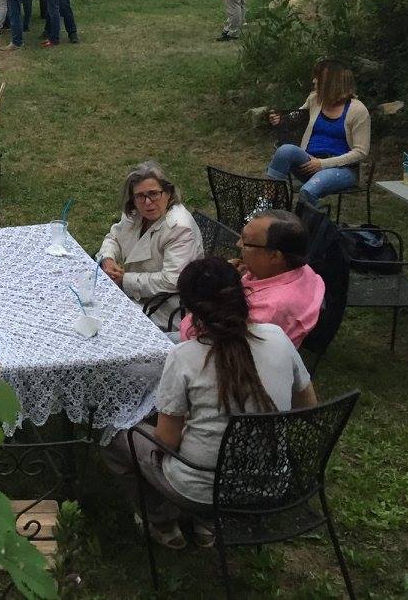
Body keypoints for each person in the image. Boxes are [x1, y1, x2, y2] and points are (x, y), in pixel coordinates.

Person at [102, 255, 316, 550]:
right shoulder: (277, 337)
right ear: (243, 294)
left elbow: (166, 442)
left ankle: (162, 520)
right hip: (269, 480)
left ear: (190, 308)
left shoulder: (185, 356)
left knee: (114, 434)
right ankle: (206, 524)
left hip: (201, 488)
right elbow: (307, 404)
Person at [179, 210, 324, 347]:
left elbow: (199, 338)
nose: (238, 244)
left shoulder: (267, 311)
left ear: (274, 256)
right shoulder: (297, 267)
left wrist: (215, 289)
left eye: (246, 241)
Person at [96, 161, 204, 331]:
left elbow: (172, 280)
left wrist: (125, 280)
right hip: (137, 295)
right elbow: (114, 237)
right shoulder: (135, 213)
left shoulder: (180, 227)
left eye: (153, 194)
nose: (147, 202)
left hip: (165, 307)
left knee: (102, 318)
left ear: (168, 193)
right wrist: (107, 259)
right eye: (140, 196)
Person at [264, 59, 370, 208]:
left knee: (308, 191)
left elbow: (361, 152)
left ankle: (308, 221)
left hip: (342, 169)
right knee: (285, 150)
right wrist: (280, 119)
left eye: (318, 77)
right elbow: (295, 118)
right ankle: (265, 206)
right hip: (309, 162)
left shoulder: (358, 110)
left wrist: (322, 164)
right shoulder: (315, 100)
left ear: (332, 82)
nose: (314, 81)